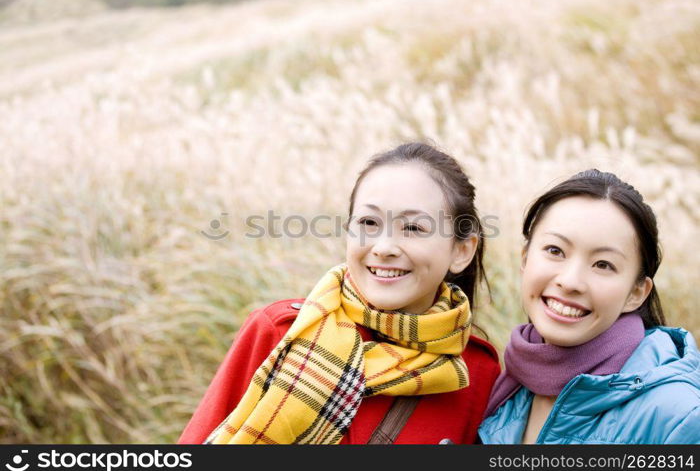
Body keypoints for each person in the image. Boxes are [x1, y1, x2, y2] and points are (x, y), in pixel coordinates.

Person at [178, 142, 501, 444]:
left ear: (461, 250)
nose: (384, 247)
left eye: (413, 228)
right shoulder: (281, 332)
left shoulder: (476, 373)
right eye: (369, 222)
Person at [478, 169, 700, 444]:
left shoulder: (678, 417)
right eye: (555, 251)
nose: (571, 281)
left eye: (603, 265)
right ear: (525, 258)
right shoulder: (508, 384)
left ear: (636, 292)